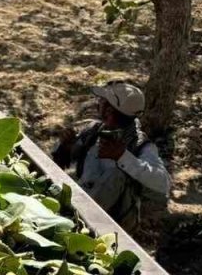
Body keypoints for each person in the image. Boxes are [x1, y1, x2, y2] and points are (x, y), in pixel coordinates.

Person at [52, 81, 171, 230]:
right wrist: (65, 146)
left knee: (116, 174)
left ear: (109, 111)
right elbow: (65, 160)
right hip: (79, 199)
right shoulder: (93, 129)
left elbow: (163, 183)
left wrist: (123, 157)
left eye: (103, 101)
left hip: (112, 223)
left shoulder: (141, 146)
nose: (98, 104)